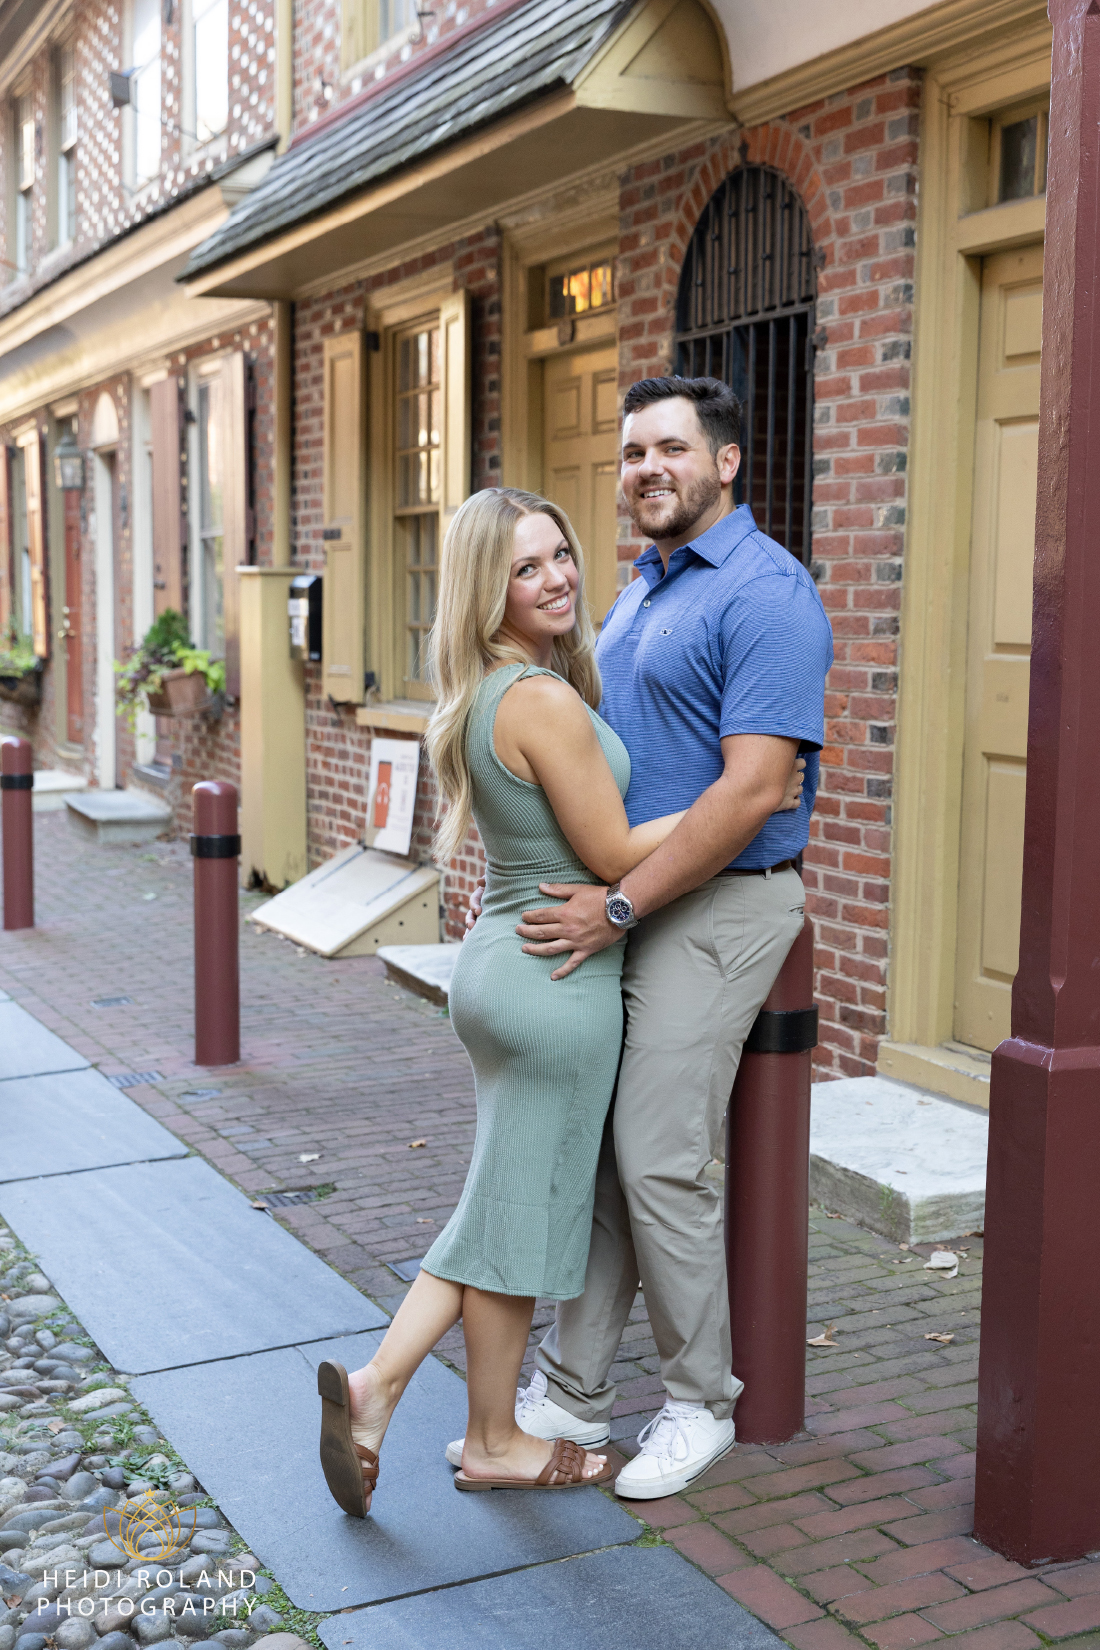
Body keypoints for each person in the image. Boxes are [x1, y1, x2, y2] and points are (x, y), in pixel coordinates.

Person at [317, 484, 805, 1514]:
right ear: (481, 588)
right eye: (523, 567)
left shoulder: (486, 688)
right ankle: (410, 1398)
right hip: (555, 978)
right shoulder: (534, 697)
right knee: (506, 1219)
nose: (554, 579)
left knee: (507, 1211)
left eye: (558, 557)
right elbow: (612, 852)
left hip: (505, 964)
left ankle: (455, 1416)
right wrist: (740, 795)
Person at [457, 376, 833, 1501]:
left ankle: (696, 1402)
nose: (645, 469)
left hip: (716, 903)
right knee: (610, 1156)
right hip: (638, 902)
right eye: (629, 453)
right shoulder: (637, 591)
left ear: (726, 463)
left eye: (670, 448)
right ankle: (572, 1387)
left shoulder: (765, 596)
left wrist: (619, 904)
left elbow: (756, 787)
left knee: (660, 1157)